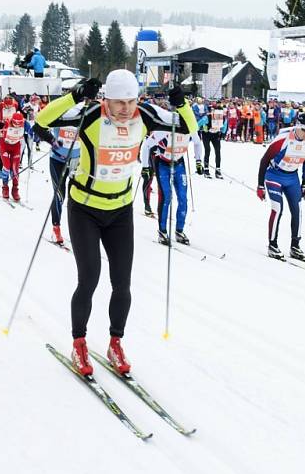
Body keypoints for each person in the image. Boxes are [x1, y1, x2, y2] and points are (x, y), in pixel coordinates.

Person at [35, 70, 197, 377]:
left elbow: (188, 127)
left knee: (122, 283)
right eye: (117, 103)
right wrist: (75, 96)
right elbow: (42, 121)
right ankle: (79, 343)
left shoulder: (145, 114)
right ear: (106, 99)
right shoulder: (90, 115)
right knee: (89, 279)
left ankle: (115, 341)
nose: (124, 109)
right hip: (84, 209)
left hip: (121, 211)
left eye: (130, 102)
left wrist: (181, 104)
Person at [256, 112, 305, 261]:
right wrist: (260, 186)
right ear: (297, 126)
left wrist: (304, 183)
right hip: (274, 175)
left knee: (297, 210)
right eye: (304, 130)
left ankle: (295, 246)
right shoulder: (283, 139)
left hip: (292, 177)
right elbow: (264, 160)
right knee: (277, 208)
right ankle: (272, 244)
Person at [140, 117, 203, 246]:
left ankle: (179, 231)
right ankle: (162, 231)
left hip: (179, 164)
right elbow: (146, 146)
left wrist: (198, 161)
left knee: (183, 198)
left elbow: (197, 143)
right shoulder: (165, 129)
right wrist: (145, 167)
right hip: (162, 163)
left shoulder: (190, 127)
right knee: (166, 196)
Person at [35, 117, 81, 245]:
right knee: (59, 194)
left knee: (76, 195)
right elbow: (39, 126)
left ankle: (79, 231)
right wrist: (52, 142)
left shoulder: (84, 111)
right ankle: (56, 227)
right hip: (57, 160)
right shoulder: (61, 111)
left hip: (77, 160)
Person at [202, 101, 226, 178]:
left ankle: (218, 170)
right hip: (206, 135)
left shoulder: (223, 118)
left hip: (215, 135)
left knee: (218, 151)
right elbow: (198, 124)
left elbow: (225, 126)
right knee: (207, 150)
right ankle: (206, 169)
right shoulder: (208, 117)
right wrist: (203, 127)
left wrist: (222, 133)